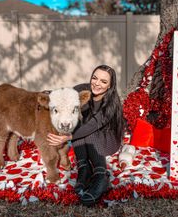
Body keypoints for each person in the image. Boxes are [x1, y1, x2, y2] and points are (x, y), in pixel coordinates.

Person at [47, 64, 124, 206]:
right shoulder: (84, 90)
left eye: (104, 81)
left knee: (86, 129)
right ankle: (84, 169)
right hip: (88, 134)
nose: (97, 83)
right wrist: (50, 95)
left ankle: (101, 175)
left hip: (108, 140)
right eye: (95, 78)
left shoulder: (112, 102)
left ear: (110, 86)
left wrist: (68, 137)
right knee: (79, 126)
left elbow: (93, 125)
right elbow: (65, 95)